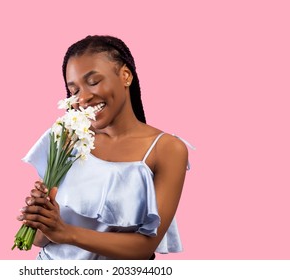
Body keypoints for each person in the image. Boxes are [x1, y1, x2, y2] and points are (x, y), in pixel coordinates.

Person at [18, 35, 192, 260]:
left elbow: (144, 248)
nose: (84, 98)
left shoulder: (166, 149)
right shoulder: (68, 137)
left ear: (125, 76)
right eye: (74, 90)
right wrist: (42, 219)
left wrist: (67, 233)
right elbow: (41, 239)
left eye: (93, 82)